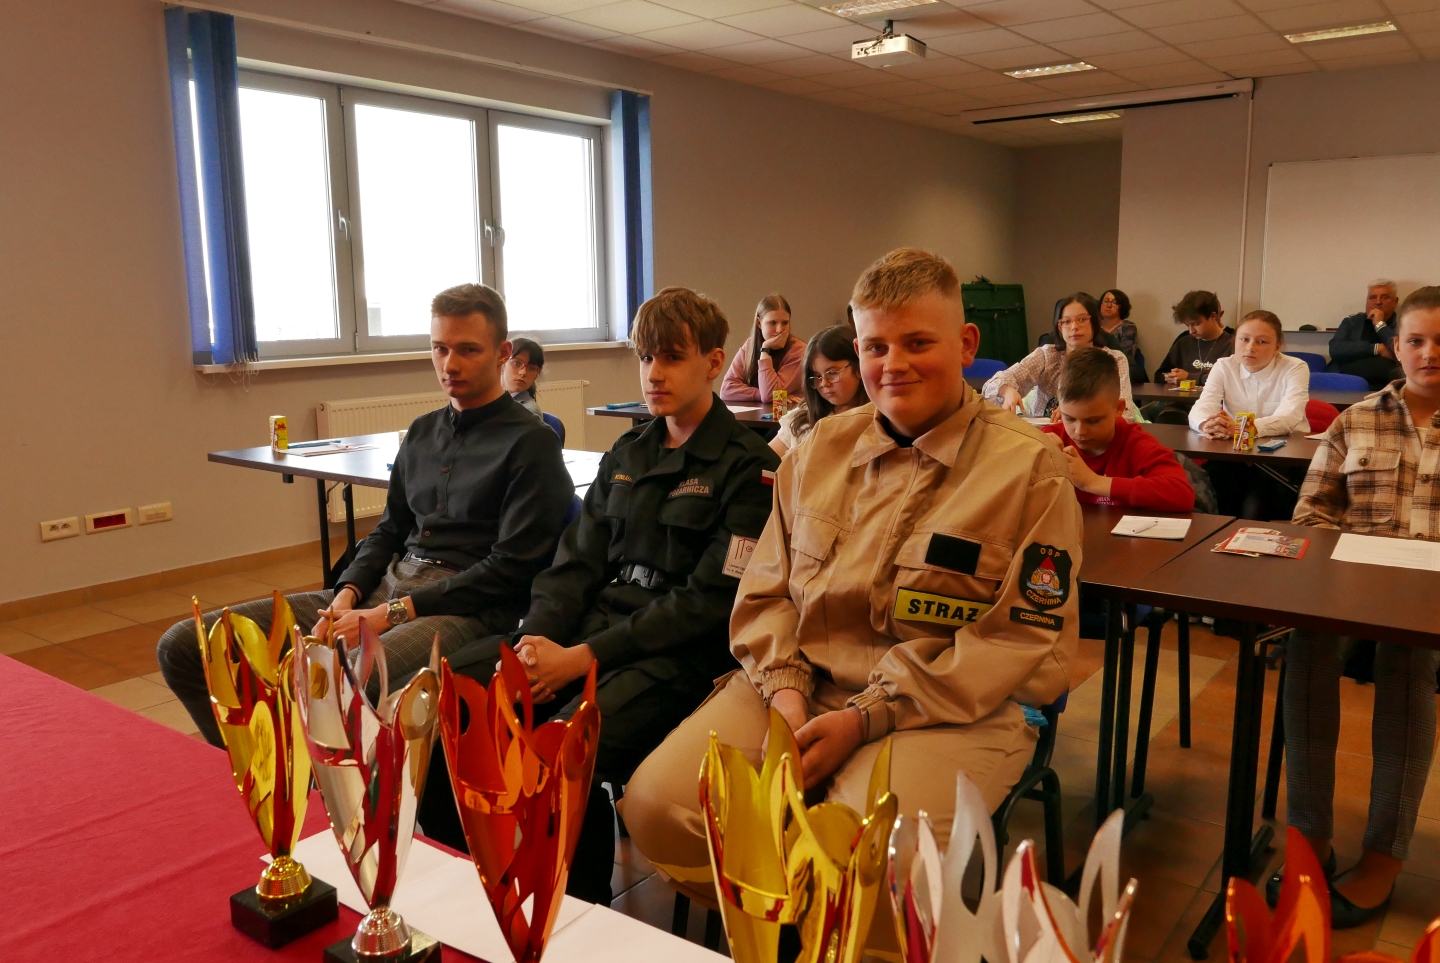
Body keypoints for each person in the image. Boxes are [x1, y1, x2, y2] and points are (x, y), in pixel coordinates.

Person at [620, 249, 1082, 949]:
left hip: (947, 707)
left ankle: (846, 935)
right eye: (875, 346)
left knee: (872, 861)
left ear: (966, 345)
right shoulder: (817, 450)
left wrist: (867, 717)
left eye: (918, 343)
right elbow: (765, 591)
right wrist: (785, 692)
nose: (894, 364)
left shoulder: (1030, 467)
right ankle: (791, 932)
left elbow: (1021, 642)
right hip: (799, 684)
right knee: (659, 806)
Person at [427, 286, 780, 906]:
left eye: (671, 357)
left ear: (712, 362)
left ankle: (575, 909)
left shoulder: (746, 466)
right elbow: (573, 564)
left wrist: (581, 658)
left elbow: (705, 604)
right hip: (589, 631)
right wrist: (536, 642)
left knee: (563, 745)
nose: (654, 374)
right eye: (645, 358)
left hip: (673, 655)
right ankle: (464, 887)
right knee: (456, 700)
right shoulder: (628, 452)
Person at [156, 284, 574, 746]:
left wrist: (391, 613)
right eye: (440, 349)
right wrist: (346, 594)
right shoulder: (422, 432)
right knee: (186, 645)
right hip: (387, 586)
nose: (450, 365)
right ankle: (258, 769)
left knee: (337, 688)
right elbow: (389, 531)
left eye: (468, 350)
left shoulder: (532, 443)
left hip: (463, 606)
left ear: (502, 353)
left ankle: (307, 774)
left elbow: (512, 569)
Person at [1269, 285, 1440, 928]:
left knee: (1408, 669)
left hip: (1428, 605)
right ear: (1395, 347)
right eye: (1416, 340)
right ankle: (1308, 836)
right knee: (1306, 649)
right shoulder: (1356, 420)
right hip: (1351, 585)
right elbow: (1312, 511)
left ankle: (1383, 856)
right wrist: (1337, 569)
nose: (1430, 353)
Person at [1041, 347, 1194, 512]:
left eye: (1093, 421)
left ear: (1118, 408)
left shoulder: (1136, 443)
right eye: (1069, 418)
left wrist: (1092, 482)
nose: (1079, 431)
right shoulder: (1049, 439)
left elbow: (1182, 495)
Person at [983, 293, 1137, 420]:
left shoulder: (1114, 360)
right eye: (1066, 321)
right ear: (1059, 327)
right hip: (1043, 436)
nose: (1074, 327)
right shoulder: (1046, 355)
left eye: (1082, 319)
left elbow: (1126, 414)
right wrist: (1007, 391)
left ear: (1095, 323)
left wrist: (1073, 412)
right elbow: (993, 384)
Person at [1189, 310, 1310, 439]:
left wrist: (1243, 428)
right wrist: (1206, 424)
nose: (1250, 348)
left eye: (1262, 341)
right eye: (1244, 339)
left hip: (1288, 443)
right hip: (1235, 442)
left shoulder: (1295, 368)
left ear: (1277, 346)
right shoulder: (1223, 366)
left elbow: (1289, 415)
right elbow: (1204, 404)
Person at [770, 324, 869, 457]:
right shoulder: (803, 416)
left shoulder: (875, 419)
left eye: (832, 373)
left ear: (859, 367)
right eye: (816, 376)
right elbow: (765, 460)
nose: (824, 383)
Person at [720, 293, 804, 404]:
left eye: (785, 323)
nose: (779, 329)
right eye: (773, 323)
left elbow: (769, 395)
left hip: (788, 414)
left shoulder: (799, 351)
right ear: (759, 323)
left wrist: (765, 350)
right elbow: (726, 390)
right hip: (758, 414)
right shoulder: (750, 345)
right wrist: (763, 394)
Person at [1328, 279, 1402, 389]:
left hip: (1388, 384)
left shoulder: (1403, 324)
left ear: (1395, 302)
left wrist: (1379, 324)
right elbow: (1335, 349)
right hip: (1348, 379)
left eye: (1385, 297)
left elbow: (1401, 351)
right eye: (1373, 298)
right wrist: (1377, 348)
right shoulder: (1352, 322)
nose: (1378, 302)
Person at [1155, 290, 1234, 387]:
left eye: (1196, 324)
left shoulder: (1232, 344)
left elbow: (1230, 380)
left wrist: (1189, 377)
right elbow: (1159, 375)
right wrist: (1170, 377)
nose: (1191, 331)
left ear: (1213, 316)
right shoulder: (1183, 343)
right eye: (1187, 325)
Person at [1100, 289, 1145, 384]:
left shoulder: (1128, 327)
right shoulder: (1095, 327)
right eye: (1106, 301)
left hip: (1118, 372)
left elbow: (1125, 356)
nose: (1109, 305)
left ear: (1122, 307)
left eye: (1115, 302)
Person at [504, 336, 545, 418]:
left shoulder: (530, 411)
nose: (523, 373)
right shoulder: (485, 397)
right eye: (516, 363)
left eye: (531, 368)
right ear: (503, 360)